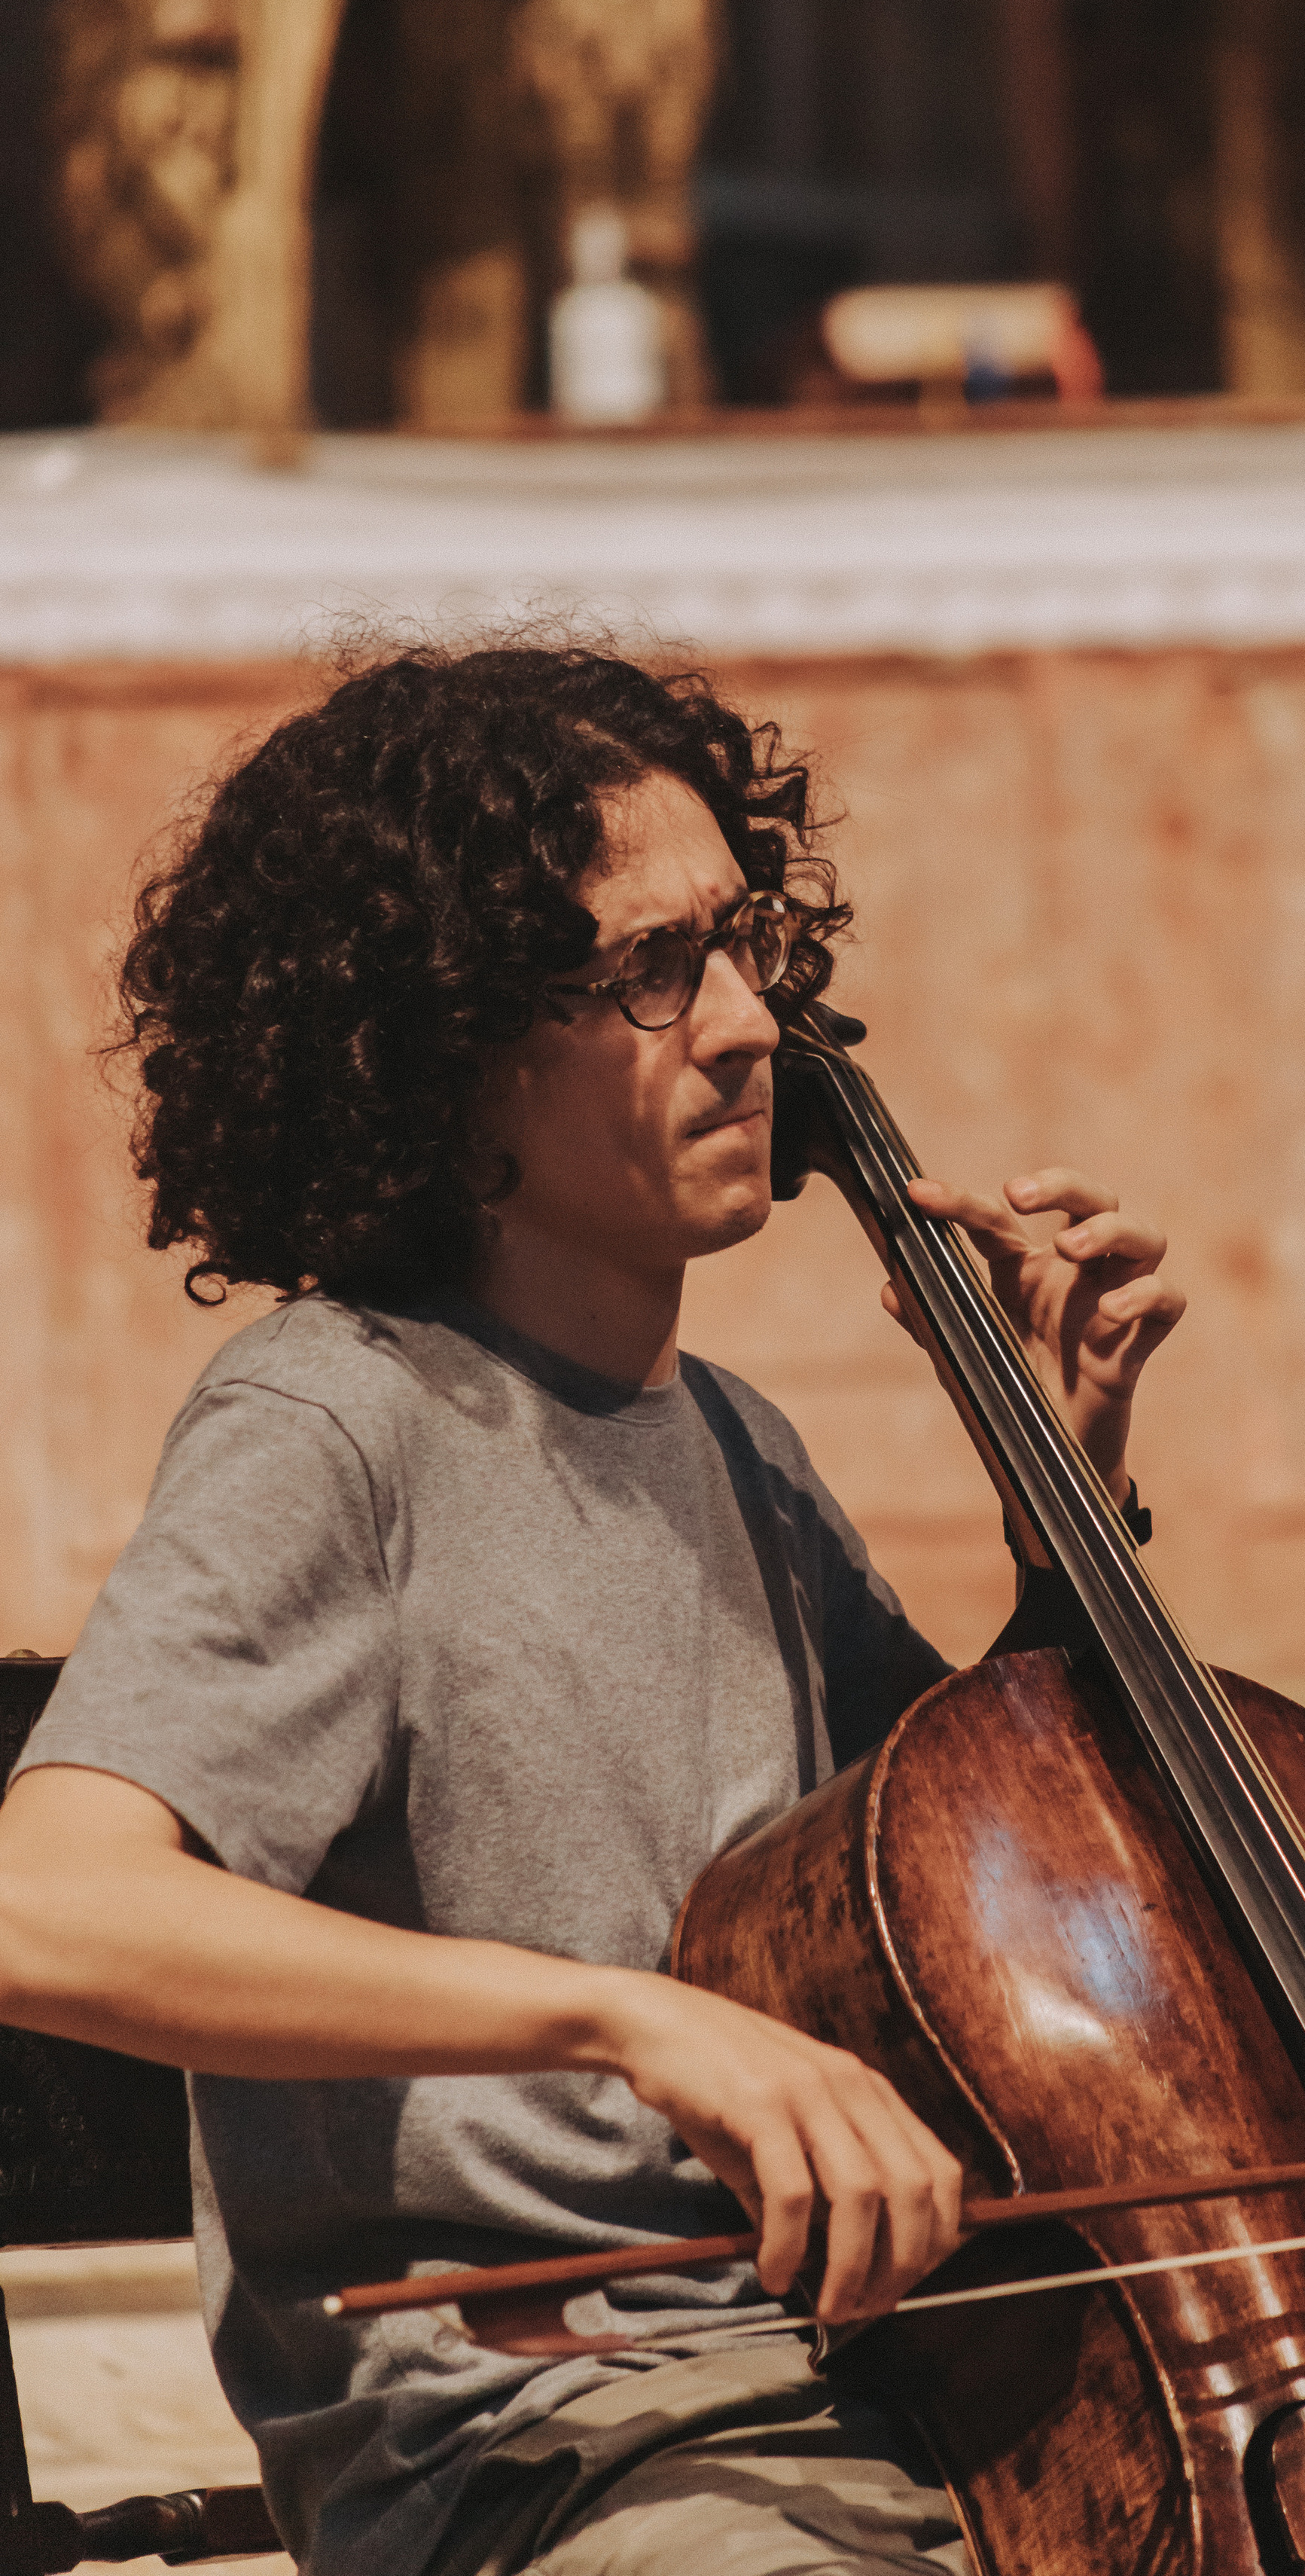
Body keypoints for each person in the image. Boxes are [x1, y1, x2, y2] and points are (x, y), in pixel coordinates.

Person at [0, 641, 1185, 2576]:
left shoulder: (738, 1447)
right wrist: (627, 2022)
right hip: (546, 2442)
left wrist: (1070, 1516)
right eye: (651, 969)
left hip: (875, 2390)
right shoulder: (337, 1421)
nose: (746, 1025)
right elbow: (45, 1908)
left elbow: (966, 1879)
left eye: (741, 946)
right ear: (445, 1040)